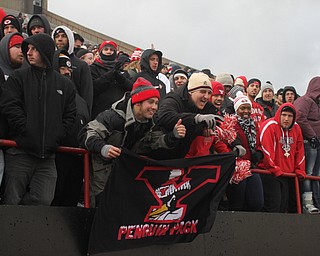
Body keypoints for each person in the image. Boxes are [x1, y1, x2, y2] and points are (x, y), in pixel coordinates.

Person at [79, 77, 186, 207]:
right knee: (98, 209)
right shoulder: (113, 117)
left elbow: (155, 142)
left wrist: (173, 135)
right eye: (150, 102)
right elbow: (87, 133)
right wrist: (103, 148)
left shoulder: (150, 123)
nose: (154, 107)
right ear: (137, 103)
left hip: (125, 176)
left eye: (156, 103)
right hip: (100, 176)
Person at [0, 33, 76, 205]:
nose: (29, 53)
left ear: (45, 51)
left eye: (34, 49)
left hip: (47, 158)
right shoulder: (18, 77)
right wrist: (26, 128)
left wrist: (56, 135)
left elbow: (70, 115)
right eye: (28, 49)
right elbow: (9, 105)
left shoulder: (65, 84)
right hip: (19, 153)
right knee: (10, 202)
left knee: (43, 200)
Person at [51, 49, 91, 207]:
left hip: (77, 158)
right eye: (62, 68)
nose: (67, 72)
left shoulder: (80, 99)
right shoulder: (49, 90)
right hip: (57, 155)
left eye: (69, 69)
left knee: (70, 202)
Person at [156, 72, 227, 159]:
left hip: (180, 155)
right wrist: (196, 118)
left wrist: (204, 130)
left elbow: (218, 122)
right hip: (159, 153)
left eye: (209, 93)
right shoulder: (173, 99)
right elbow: (165, 116)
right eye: (202, 92)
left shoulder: (206, 106)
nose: (206, 96)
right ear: (191, 91)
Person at [259, 103, 306, 213]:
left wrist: (300, 169)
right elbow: (266, 150)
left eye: (290, 116)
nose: (286, 119)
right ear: (279, 114)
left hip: (287, 174)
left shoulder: (297, 128)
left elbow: (300, 151)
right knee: (273, 205)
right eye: (284, 115)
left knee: (283, 206)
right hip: (269, 173)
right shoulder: (270, 126)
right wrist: (273, 168)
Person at [226, 93, 264, 211]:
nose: (246, 111)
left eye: (248, 108)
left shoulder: (253, 125)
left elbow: (260, 144)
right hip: (237, 168)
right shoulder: (230, 123)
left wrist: (259, 153)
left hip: (251, 167)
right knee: (237, 202)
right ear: (237, 109)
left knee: (256, 202)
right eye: (243, 108)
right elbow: (227, 142)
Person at [52, 25, 93, 114]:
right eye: (57, 36)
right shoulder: (49, 61)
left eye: (63, 36)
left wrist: (86, 114)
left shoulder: (81, 65)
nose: (59, 39)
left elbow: (87, 93)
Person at [294, 76, 320, 213]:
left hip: (316, 144)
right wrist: (312, 136)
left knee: (316, 174)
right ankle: (307, 203)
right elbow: (299, 116)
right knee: (308, 173)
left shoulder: (316, 104)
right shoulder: (305, 100)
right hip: (308, 143)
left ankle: (317, 202)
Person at [90, 40, 133, 119]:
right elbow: (93, 87)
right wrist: (110, 75)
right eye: (106, 49)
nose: (109, 52)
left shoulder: (122, 71)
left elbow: (131, 87)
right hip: (99, 112)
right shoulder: (93, 68)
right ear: (100, 51)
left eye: (111, 50)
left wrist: (120, 78)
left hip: (120, 113)